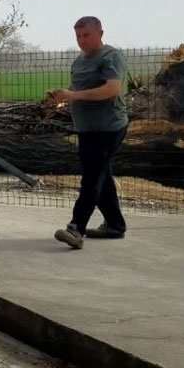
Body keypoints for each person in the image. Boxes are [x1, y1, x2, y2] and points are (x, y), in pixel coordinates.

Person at [47, 16, 129, 250]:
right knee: (101, 177)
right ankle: (115, 224)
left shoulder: (111, 57)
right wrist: (62, 99)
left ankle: (76, 228)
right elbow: (80, 91)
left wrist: (72, 95)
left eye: (86, 36)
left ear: (100, 34)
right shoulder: (79, 62)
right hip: (87, 128)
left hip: (109, 128)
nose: (81, 41)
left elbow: (112, 89)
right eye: (78, 36)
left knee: (92, 177)